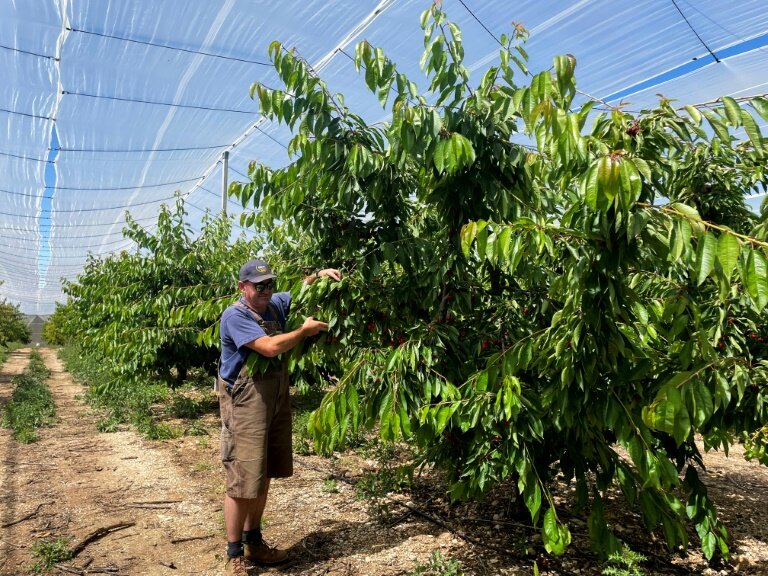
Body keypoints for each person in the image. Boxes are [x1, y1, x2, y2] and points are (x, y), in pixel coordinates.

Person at [217, 258, 341, 576]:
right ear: (242, 287)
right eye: (258, 286)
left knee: (264, 471)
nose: (265, 291)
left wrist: (318, 275)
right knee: (242, 479)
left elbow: (299, 290)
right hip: (245, 403)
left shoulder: (274, 304)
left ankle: (254, 541)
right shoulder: (236, 315)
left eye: (269, 284)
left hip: (274, 398)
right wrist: (303, 331)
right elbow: (269, 348)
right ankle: (235, 555)